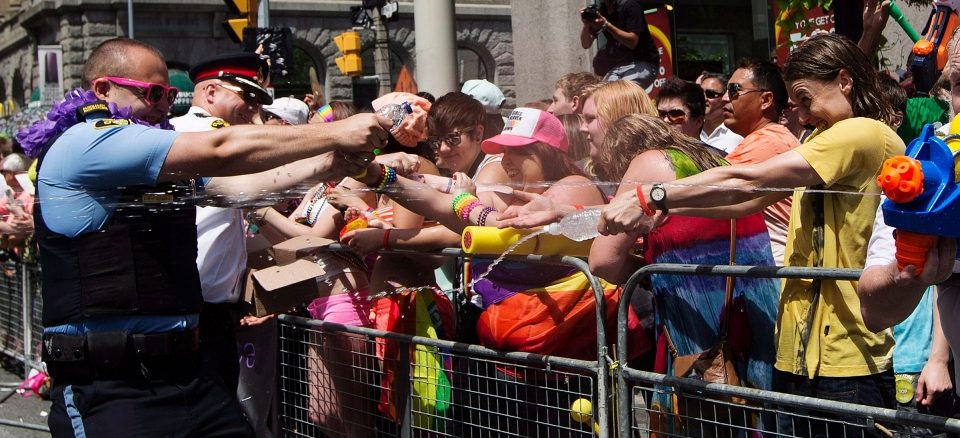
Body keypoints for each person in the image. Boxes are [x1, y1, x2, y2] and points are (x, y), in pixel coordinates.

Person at [23, 37, 389, 437]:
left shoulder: (154, 161)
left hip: (190, 376)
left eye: (169, 94)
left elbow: (242, 188)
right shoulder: (86, 141)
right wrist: (335, 132)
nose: (165, 104)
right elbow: (221, 148)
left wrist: (333, 163)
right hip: (113, 387)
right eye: (153, 93)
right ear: (103, 89)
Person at [595, 34, 903, 423]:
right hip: (801, 356)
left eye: (806, 100)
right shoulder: (825, 138)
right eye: (796, 104)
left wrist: (651, 196)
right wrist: (662, 207)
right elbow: (744, 202)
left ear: (844, 81)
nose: (802, 116)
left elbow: (748, 180)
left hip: (846, 359)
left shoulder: (862, 132)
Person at [722, 59, 799, 266]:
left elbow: (708, 188)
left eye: (734, 90)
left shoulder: (768, 141)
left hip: (774, 271)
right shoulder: (768, 138)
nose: (724, 98)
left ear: (765, 100)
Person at [579, 0, 659, 87]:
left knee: (620, 92)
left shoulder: (630, 6)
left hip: (642, 63)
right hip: (618, 66)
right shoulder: (602, 11)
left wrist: (606, 25)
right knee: (605, 93)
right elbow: (586, 44)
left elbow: (632, 43)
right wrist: (586, 24)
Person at [699, 72, 744, 154]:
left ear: (726, 97)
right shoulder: (691, 127)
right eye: (700, 93)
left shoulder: (739, 134)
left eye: (710, 94)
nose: (703, 98)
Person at [655, 77, 709, 142]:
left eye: (675, 114)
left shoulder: (712, 150)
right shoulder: (652, 148)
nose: (665, 120)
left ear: (698, 121)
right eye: (661, 114)